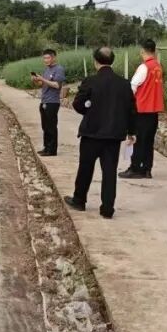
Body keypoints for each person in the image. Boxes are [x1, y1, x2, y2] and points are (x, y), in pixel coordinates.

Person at [64, 47, 136, 219]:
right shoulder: (124, 84)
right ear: (112, 61)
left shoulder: (90, 81)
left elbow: (78, 104)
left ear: (95, 61)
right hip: (113, 136)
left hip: (92, 133)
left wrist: (89, 110)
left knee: (85, 168)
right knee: (110, 172)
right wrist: (131, 132)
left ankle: (79, 200)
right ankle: (107, 209)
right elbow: (132, 110)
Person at [120, 39, 164, 179]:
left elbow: (133, 86)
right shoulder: (158, 66)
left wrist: (126, 104)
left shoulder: (144, 67)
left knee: (138, 140)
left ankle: (135, 168)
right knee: (148, 141)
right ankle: (147, 169)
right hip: (154, 110)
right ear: (154, 50)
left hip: (142, 109)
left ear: (142, 51)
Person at [31, 48, 66, 157]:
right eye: (44, 58)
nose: (45, 60)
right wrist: (36, 81)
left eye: (48, 57)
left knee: (51, 126)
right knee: (45, 126)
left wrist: (43, 79)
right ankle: (46, 147)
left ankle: (52, 150)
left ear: (54, 57)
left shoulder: (59, 69)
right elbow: (43, 85)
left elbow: (56, 85)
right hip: (44, 100)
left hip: (52, 102)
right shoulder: (46, 70)